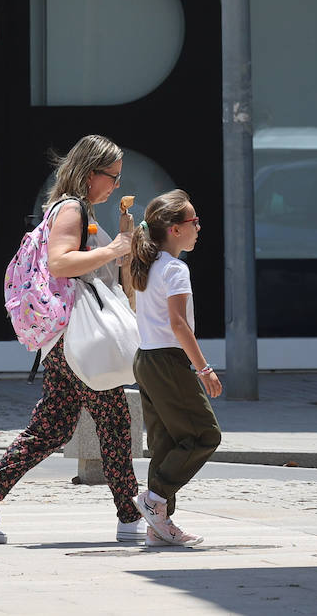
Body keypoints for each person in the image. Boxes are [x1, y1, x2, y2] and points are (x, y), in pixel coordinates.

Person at [0, 134, 146, 545]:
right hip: (73, 335)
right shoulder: (72, 210)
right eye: (111, 176)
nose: (115, 185)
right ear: (90, 173)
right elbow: (61, 263)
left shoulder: (71, 209)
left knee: (53, 427)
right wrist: (114, 249)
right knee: (113, 419)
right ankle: (131, 518)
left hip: (62, 338)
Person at [128, 189, 222, 547]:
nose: (199, 227)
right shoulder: (175, 269)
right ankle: (154, 500)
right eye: (193, 222)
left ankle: (158, 525)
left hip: (146, 360)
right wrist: (204, 369)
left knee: (166, 443)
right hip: (168, 360)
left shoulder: (147, 266)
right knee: (204, 435)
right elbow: (179, 325)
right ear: (174, 229)